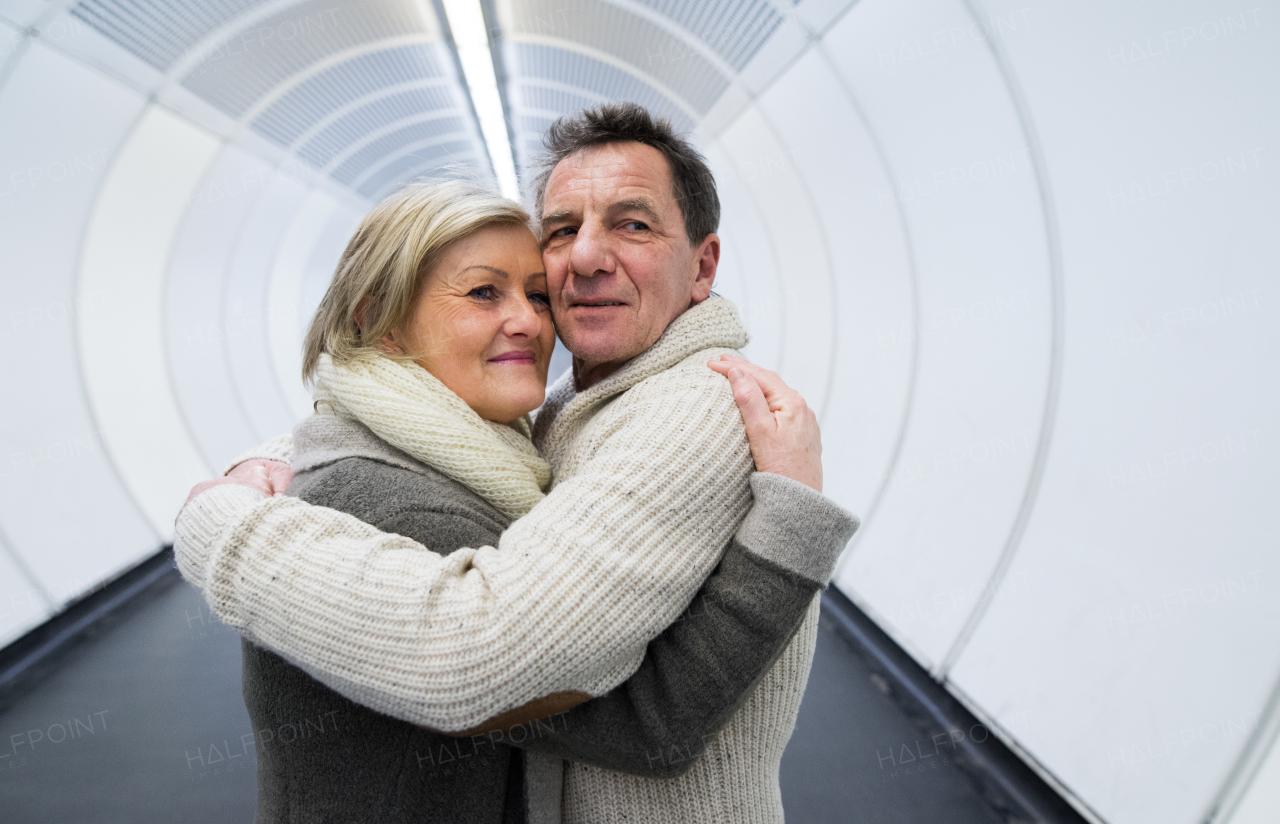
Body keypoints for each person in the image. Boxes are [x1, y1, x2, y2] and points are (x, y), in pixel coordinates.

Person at [176, 103, 856, 823]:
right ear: (380, 323)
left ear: (703, 266)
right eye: (562, 231)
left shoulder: (690, 409)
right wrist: (267, 462)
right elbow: (405, 434)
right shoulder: (570, 406)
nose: (584, 260)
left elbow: (495, 658)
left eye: (632, 224)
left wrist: (222, 530)